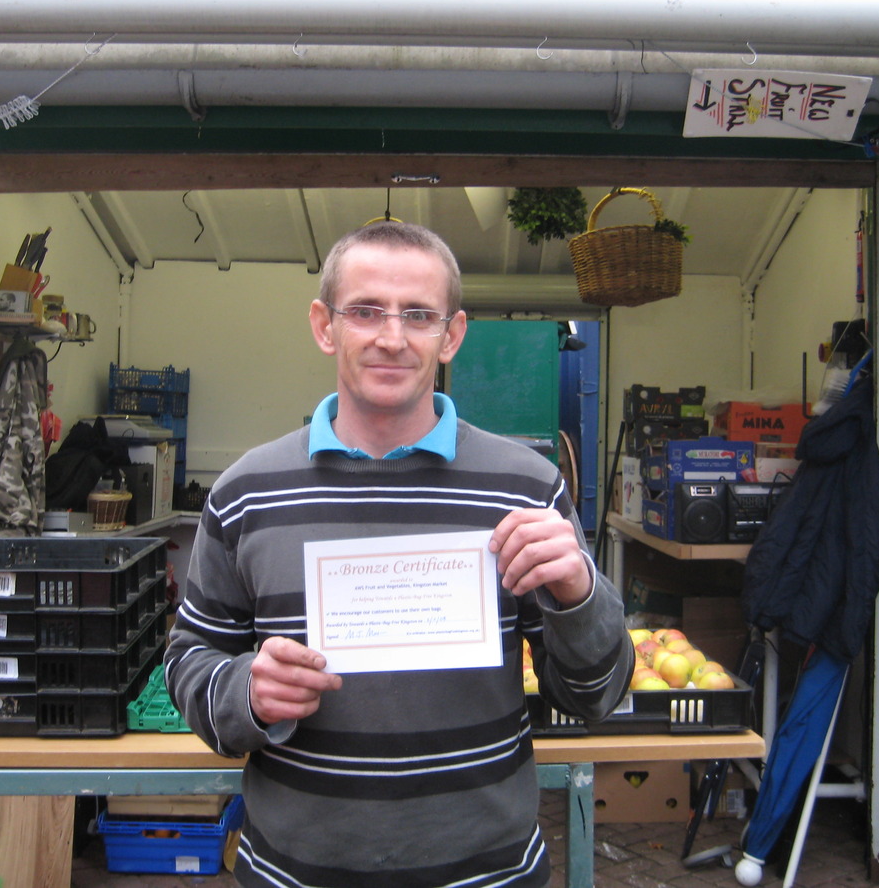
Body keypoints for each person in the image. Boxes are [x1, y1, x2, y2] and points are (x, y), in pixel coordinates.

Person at [164, 220, 633, 888]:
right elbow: (189, 661)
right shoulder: (247, 493)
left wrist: (580, 596)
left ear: (452, 334)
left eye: (418, 314)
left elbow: (594, 699)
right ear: (326, 326)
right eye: (366, 311)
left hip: (486, 876)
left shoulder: (525, 488)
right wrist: (248, 692)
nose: (392, 337)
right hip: (298, 874)